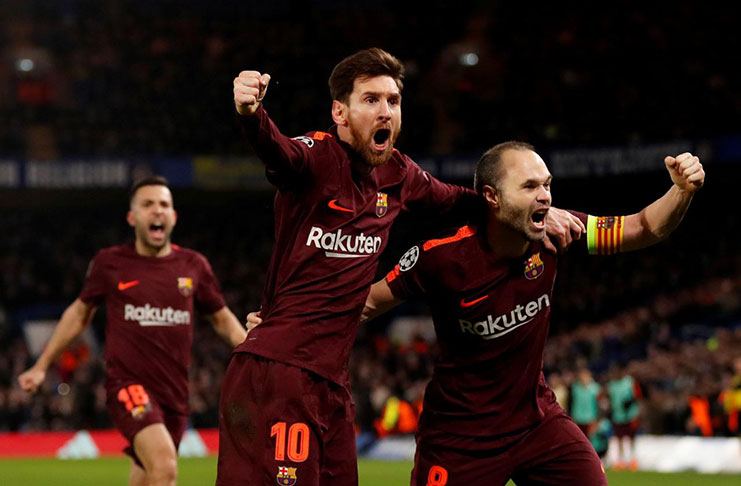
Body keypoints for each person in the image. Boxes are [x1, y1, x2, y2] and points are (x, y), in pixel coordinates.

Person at [221, 48, 583, 486]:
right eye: (371, 100)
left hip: (332, 383)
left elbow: (467, 203)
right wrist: (251, 113)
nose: (385, 111)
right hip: (279, 373)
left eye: (393, 101)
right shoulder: (315, 158)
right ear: (340, 112)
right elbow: (278, 152)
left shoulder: (399, 176)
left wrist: (535, 213)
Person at [362, 142, 704, 485]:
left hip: (536, 424)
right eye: (529, 186)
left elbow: (643, 228)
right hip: (459, 438)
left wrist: (681, 190)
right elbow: (368, 303)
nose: (545, 196)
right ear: (492, 197)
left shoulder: (557, 232)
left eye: (547, 184)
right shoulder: (442, 258)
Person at [18, 176, 247, 486]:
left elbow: (222, 321)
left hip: (175, 393)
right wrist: (43, 365)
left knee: (145, 476)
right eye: (148, 204)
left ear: (174, 217)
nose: (157, 211)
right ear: (132, 216)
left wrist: (257, 353)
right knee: (165, 467)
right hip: (128, 385)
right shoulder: (111, 263)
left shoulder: (193, 266)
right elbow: (79, 313)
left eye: (164, 205)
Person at [606, 365, 642, 470]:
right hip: (618, 415)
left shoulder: (630, 382)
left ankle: (633, 459)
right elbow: (609, 399)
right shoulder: (612, 385)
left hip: (631, 415)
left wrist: (631, 402)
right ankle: (620, 461)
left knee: (631, 438)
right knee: (619, 439)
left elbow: (638, 396)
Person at [571, 367, 603, 439]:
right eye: (581, 376)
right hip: (578, 418)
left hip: (591, 419)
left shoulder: (595, 388)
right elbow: (573, 403)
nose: (583, 378)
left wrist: (597, 420)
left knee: (591, 441)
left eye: (585, 376)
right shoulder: (575, 388)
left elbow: (600, 404)